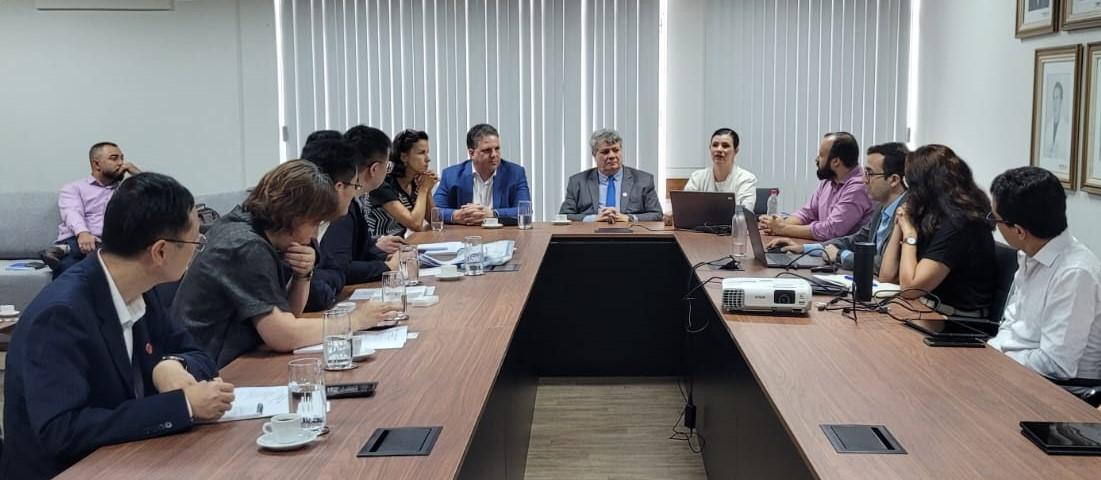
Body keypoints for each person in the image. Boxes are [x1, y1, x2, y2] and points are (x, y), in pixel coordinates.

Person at [2, 173, 235, 479]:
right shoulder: (61, 314)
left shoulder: (140, 288)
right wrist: (182, 406)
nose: (197, 250)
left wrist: (172, 365)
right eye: (196, 242)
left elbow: (199, 355)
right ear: (160, 251)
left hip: (130, 457)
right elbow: (62, 431)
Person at [173, 160, 396, 368]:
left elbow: (290, 313)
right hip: (210, 368)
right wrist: (355, 320)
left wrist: (303, 275)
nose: (314, 235)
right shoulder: (245, 245)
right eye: (315, 223)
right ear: (295, 216)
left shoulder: (261, 230)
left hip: (234, 358)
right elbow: (283, 335)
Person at [986, 167, 1101, 386]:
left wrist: (997, 361)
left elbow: (1056, 365)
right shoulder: (1031, 254)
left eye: (996, 219)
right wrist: (990, 355)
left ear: (1019, 231)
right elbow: (1011, 324)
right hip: (1013, 371)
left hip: (1061, 391)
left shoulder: (1075, 274)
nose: (993, 224)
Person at [879, 145, 996, 318]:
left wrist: (910, 234)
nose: (907, 190)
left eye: (909, 183)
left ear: (924, 186)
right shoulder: (929, 215)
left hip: (957, 320)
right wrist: (901, 222)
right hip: (928, 309)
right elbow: (886, 276)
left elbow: (911, 289)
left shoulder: (961, 223)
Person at [768, 142, 909, 271]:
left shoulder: (909, 213)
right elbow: (854, 240)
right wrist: (803, 248)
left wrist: (841, 255)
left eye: (869, 174)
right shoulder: (882, 208)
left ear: (894, 180)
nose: (864, 180)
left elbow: (883, 265)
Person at [306, 127, 401, 311]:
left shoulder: (352, 202)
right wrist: (387, 267)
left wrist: (379, 252)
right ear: (374, 169)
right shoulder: (340, 208)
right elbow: (338, 266)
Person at [41, 142, 142, 276]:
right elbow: (72, 212)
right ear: (97, 164)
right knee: (67, 270)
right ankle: (69, 250)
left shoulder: (126, 190)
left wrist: (139, 175)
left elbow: (160, 200)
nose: (121, 163)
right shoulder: (74, 188)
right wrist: (83, 233)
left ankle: (64, 249)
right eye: (114, 158)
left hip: (109, 242)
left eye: (122, 158)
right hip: (78, 239)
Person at [757, 132, 872, 240]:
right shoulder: (829, 181)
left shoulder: (859, 186)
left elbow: (831, 230)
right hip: (823, 250)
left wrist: (783, 229)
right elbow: (807, 213)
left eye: (821, 155)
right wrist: (776, 224)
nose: (817, 159)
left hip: (845, 256)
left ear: (836, 161)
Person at [433, 123, 532, 225]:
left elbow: (525, 211)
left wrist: (492, 214)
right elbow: (436, 211)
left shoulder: (515, 173)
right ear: (472, 153)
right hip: (464, 236)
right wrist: (456, 215)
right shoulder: (451, 175)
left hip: (501, 235)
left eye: (497, 149)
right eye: (487, 150)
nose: (494, 155)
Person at [559, 128, 663, 223]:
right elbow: (564, 216)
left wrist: (629, 218)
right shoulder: (578, 182)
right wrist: (592, 219)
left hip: (630, 237)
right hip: (591, 237)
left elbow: (657, 215)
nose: (612, 156)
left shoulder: (643, 180)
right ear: (594, 154)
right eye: (605, 152)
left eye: (615, 150)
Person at [365, 129, 438, 236]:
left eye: (427, 153)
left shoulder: (415, 181)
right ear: (404, 157)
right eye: (421, 153)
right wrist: (424, 189)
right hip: (377, 247)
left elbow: (434, 221)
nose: (428, 159)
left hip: (400, 245)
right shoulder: (382, 184)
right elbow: (415, 224)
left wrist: (427, 189)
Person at [683, 128, 757, 209]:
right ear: (710, 148)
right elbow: (686, 208)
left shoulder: (746, 179)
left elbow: (744, 214)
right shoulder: (697, 177)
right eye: (715, 145)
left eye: (725, 146)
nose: (719, 149)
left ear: (736, 151)